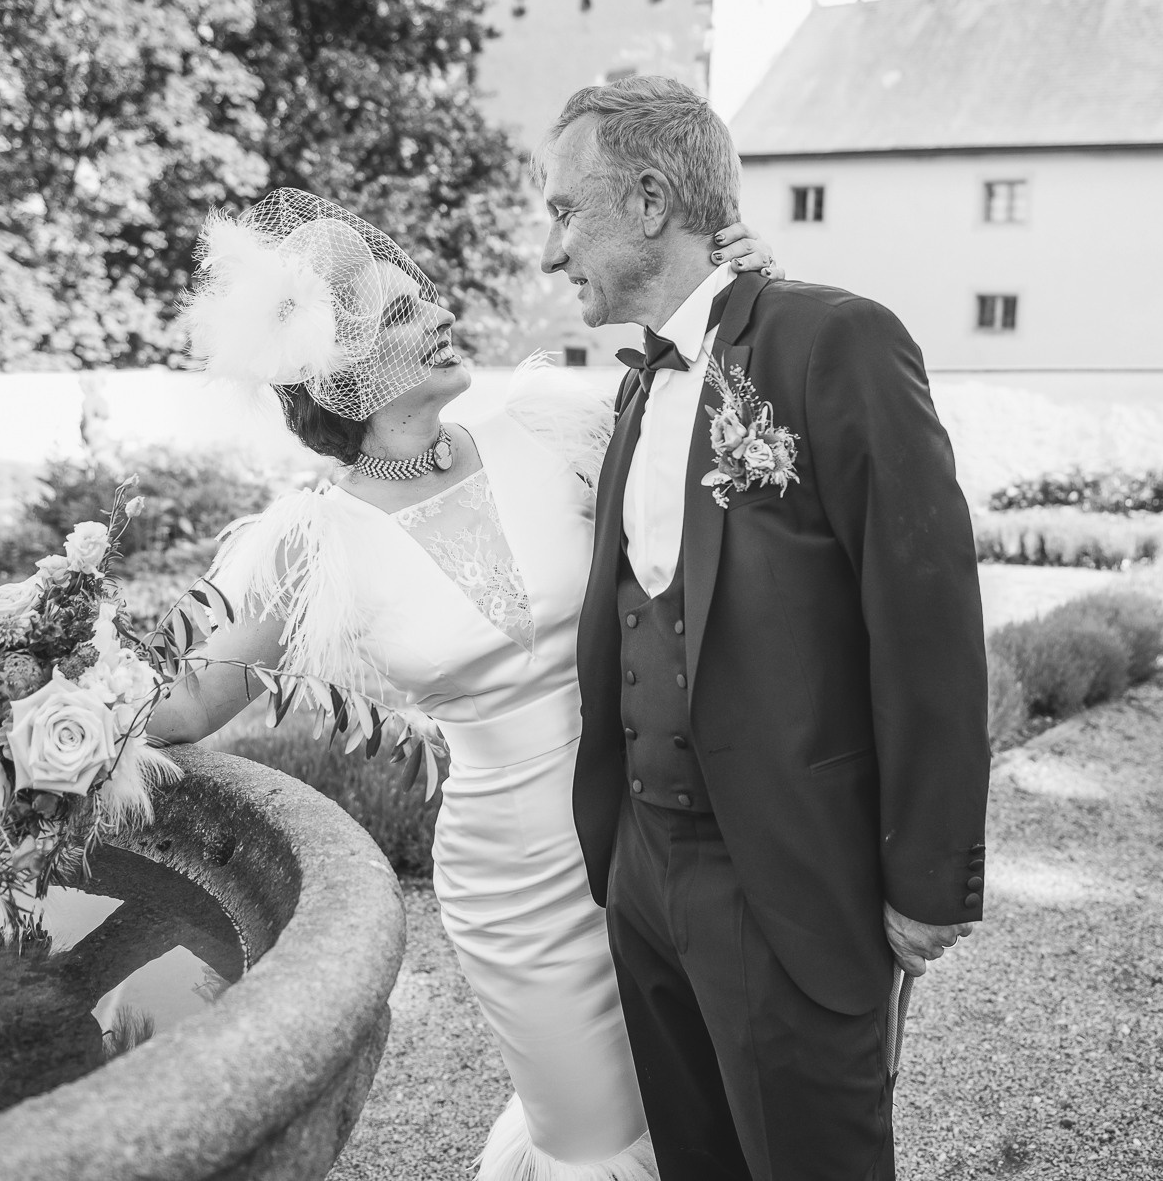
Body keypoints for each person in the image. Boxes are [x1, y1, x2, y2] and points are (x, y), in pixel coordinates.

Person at [147, 188, 782, 1181]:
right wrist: (41, 702)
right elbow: (189, 701)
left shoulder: (546, 425)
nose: (444, 314)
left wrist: (743, 298)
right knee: (593, 1138)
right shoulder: (307, 541)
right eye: (404, 314)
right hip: (517, 885)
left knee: (702, 1099)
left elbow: (737, 453)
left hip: (664, 835)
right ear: (340, 372)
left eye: (427, 297)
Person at [547, 76, 990, 1181]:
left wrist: (927, 882)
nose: (551, 249)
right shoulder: (637, 385)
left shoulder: (832, 342)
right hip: (642, 867)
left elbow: (928, 617)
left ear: (649, 201)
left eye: (563, 210)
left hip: (782, 870)